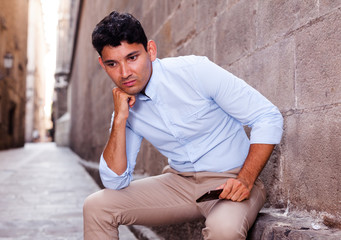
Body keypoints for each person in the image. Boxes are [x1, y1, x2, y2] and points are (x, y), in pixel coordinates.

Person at [83, 11, 283, 240]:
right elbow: (114, 181)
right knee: (97, 206)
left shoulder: (194, 72)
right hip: (179, 183)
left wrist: (245, 179)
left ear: (151, 50)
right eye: (112, 64)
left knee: (224, 229)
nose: (125, 72)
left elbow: (267, 116)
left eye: (132, 57)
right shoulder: (125, 107)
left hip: (230, 181)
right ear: (102, 65)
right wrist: (120, 119)